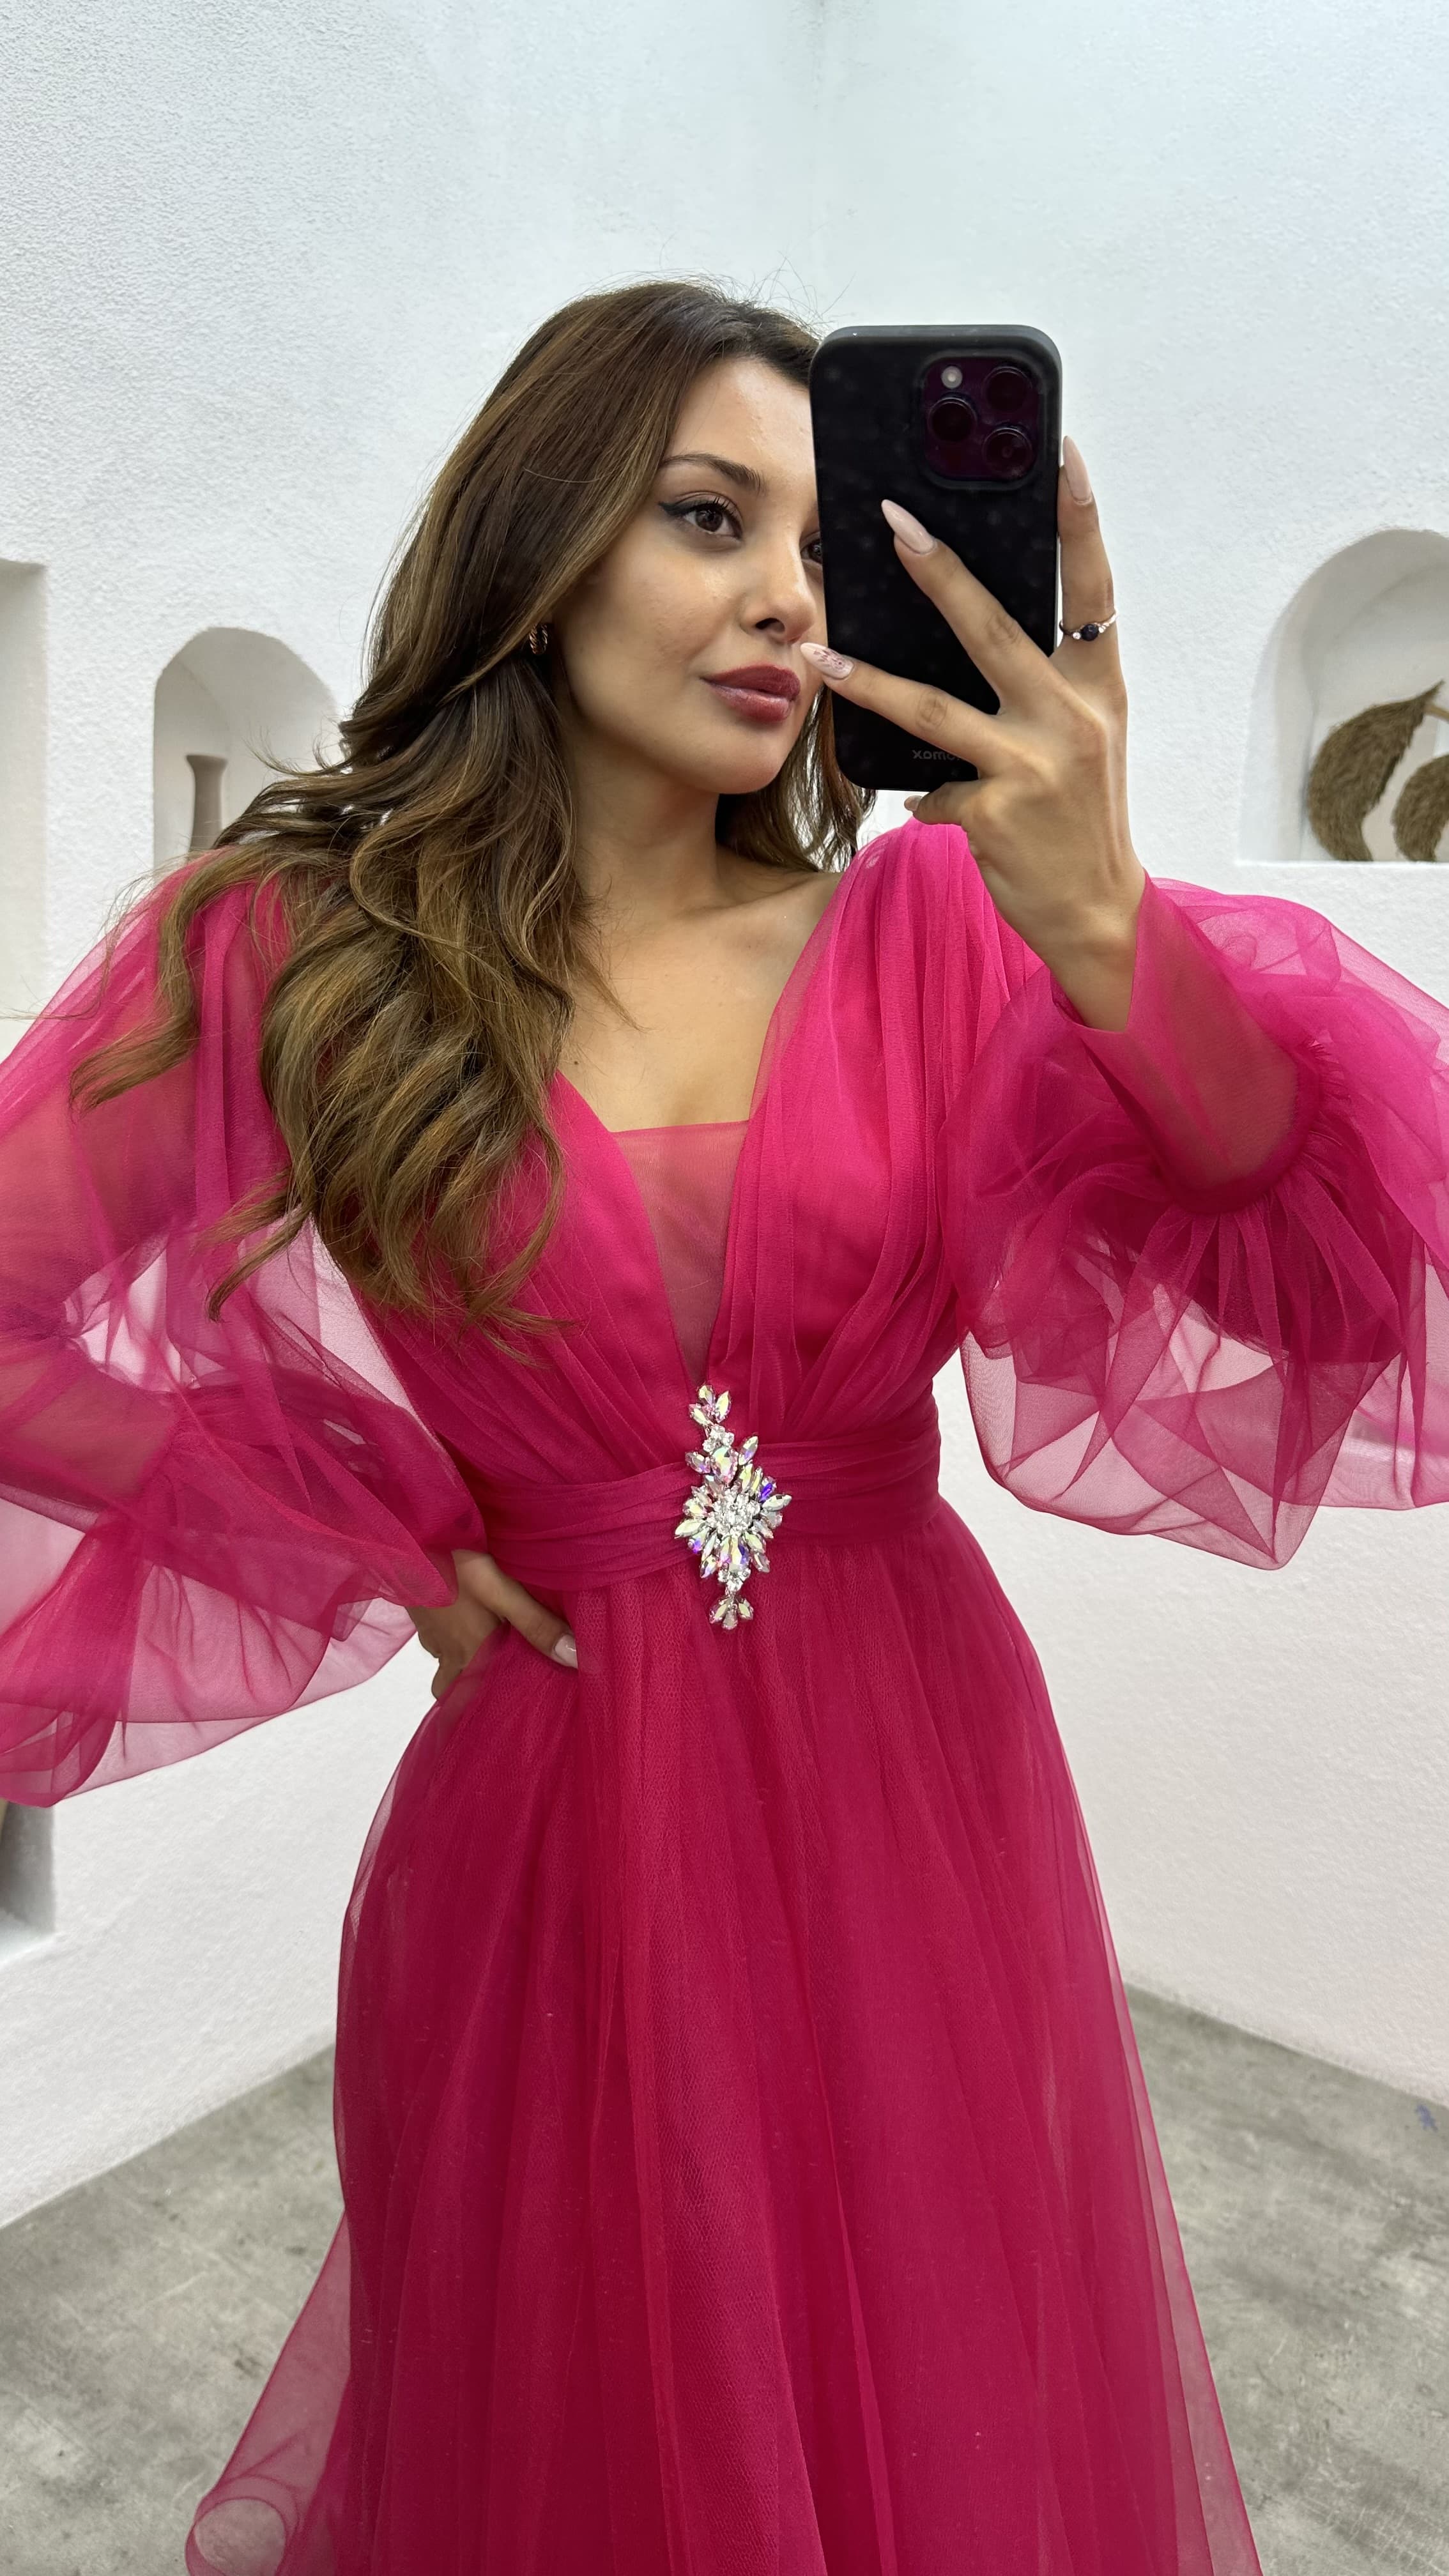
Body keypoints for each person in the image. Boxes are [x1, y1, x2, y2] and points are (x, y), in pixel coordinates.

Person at [3, 279, 1448, 2576]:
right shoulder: (294, 948)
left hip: (920, 1792)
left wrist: (1094, 913)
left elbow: (1320, 1276)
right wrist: (364, 1542)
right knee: (582, 2397)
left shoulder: (938, 931)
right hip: (558, 1813)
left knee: (935, 2383)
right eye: (704, 516)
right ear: (538, 539)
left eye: (820, 537)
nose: (786, 594)